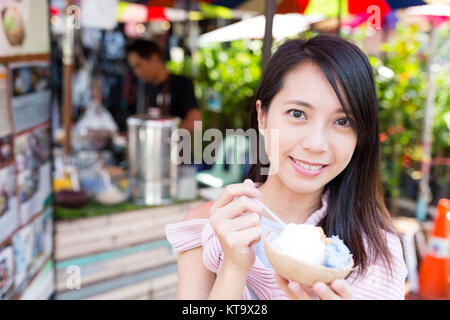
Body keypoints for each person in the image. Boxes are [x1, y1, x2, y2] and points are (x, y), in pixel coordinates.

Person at [165, 35, 408, 300]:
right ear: (262, 116)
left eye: (342, 121)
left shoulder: (377, 251)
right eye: (297, 114)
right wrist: (234, 267)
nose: (316, 144)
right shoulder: (209, 225)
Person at [125, 39, 202, 133]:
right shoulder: (146, 87)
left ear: (154, 58)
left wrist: (164, 135)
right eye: (134, 67)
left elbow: (196, 122)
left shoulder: (181, 84)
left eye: (138, 65)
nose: (136, 72)